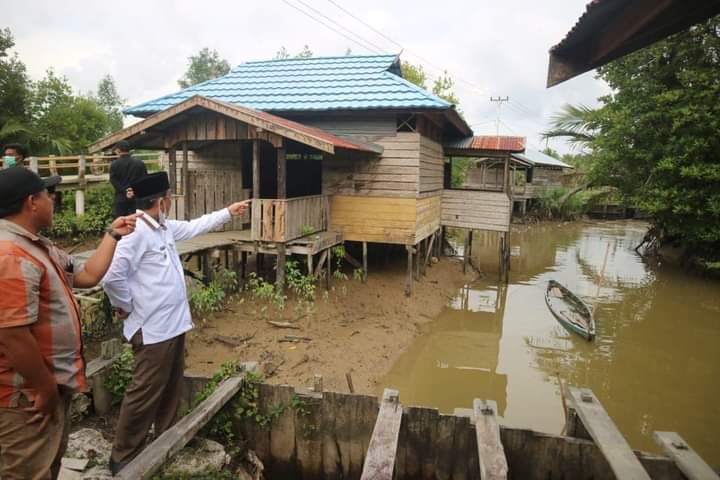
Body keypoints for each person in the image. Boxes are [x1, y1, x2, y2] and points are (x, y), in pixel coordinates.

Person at [102, 171, 249, 475]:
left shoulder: (164, 226)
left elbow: (197, 226)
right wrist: (126, 306)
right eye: (169, 196)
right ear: (161, 200)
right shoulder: (135, 231)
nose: (171, 200)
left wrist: (228, 212)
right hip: (152, 328)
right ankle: (124, 456)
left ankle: (167, 439)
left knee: (171, 385)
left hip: (174, 324)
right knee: (144, 391)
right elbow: (112, 276)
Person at [0, 166, 140, 479]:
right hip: (26, 397)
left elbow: (86, 274)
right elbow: (12, 335)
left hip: (45, 389)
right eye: (48, 194)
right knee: (26, 471)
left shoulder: (37, 245)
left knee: (48, 465)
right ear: (31, 202)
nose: (53, 200)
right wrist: (45, 388)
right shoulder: (10, 255)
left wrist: (113, 234)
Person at [109, 140, 147, 217]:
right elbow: (145, 179)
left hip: (120, 198)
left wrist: (125, 191)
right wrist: (133, 190)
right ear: (129, 150)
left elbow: (113, 180)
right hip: (137, 197)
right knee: (137, 223)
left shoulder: (114, 164)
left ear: (118, 150)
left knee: (121, 224)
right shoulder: (140, 163)